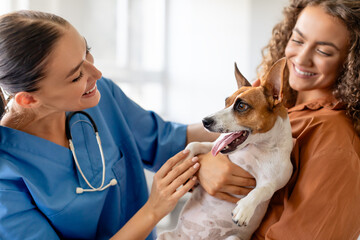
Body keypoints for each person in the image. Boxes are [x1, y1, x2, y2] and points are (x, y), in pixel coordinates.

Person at [0, 10, 242, 240]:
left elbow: (167, 140)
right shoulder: (6, 178)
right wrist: (154, 209)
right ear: (28, 99)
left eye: (87, 53)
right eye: (76, 76)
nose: (96, 73)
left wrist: (246, 113)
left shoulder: (99, 94)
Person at [196, 0, 360, 239]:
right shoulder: (280, 107)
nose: (301, 59)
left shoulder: (332, 136)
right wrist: (206, 165)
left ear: (351, 63)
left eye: (324, 51)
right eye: (297, 39)